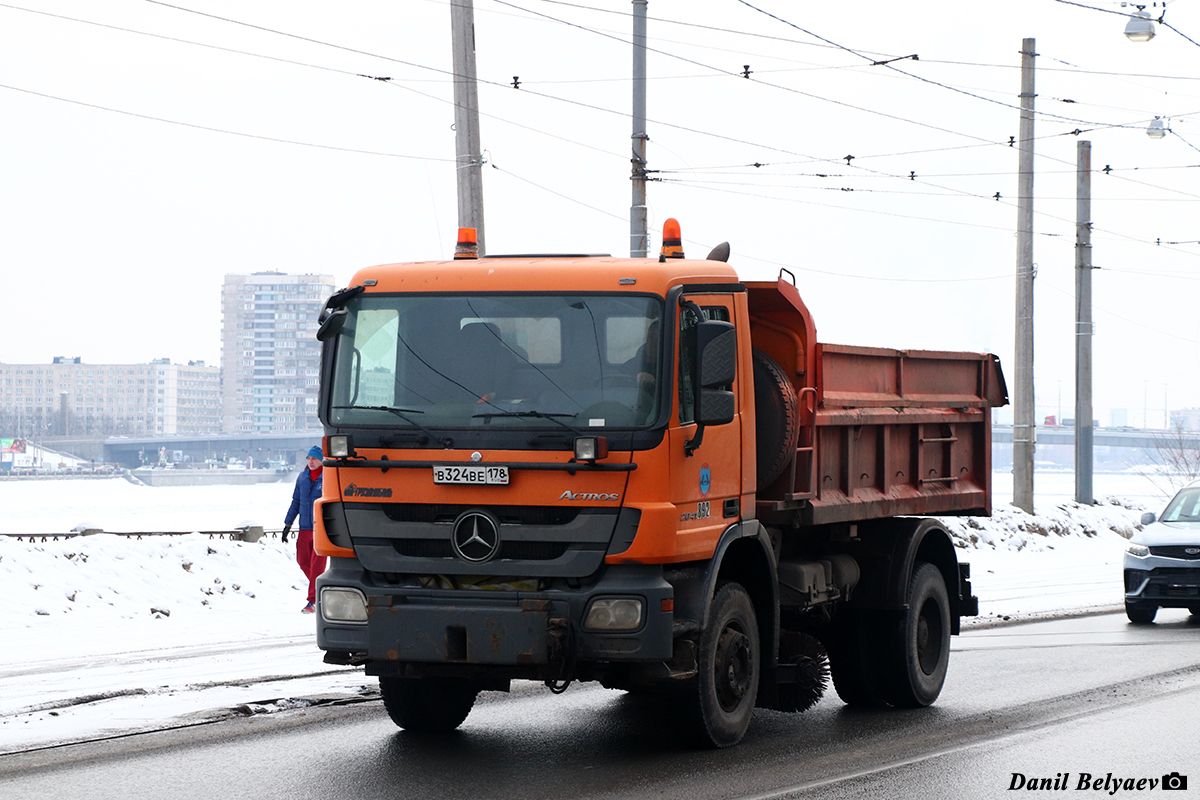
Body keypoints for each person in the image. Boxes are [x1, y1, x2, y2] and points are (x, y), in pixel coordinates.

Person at [282, 445, 325, 614]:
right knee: (302, 561)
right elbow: (296, 502)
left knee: (317, 566)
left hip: (322, 529)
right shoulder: (302, 478)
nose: (311, 461)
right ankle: (325, 588)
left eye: (314, 458)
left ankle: (312, 602)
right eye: (308, 458)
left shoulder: (328, 477)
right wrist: (287, 524)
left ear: (321, 460)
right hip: (305, 528)